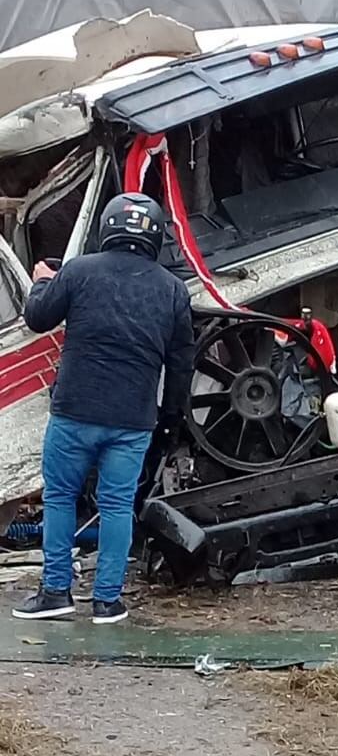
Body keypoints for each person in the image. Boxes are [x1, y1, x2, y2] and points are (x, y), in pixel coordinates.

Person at [13, 192, 194, 624]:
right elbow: (182, 364)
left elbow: (37, 317)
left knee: (59, 498)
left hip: (75, 410)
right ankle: (107, 602)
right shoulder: (172, 290)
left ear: (108, 227)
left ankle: (56, 592)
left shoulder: (78, 271)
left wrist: (42, 281)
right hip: (132, 420)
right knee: (116, 505)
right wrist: (169, 420)